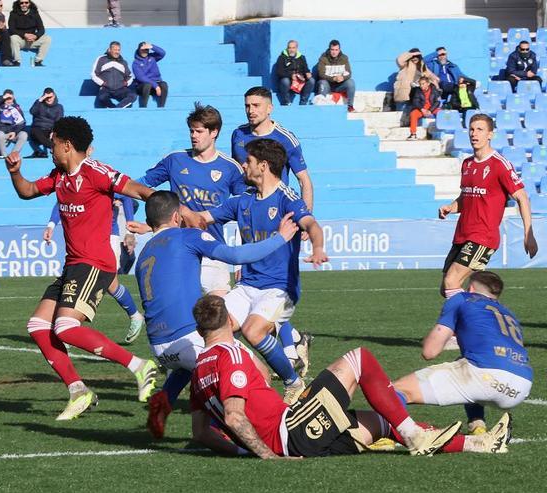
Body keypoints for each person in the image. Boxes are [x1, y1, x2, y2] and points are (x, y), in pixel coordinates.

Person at [188, 295, 510, 458]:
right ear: (231, 320)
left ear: (201, 330)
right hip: (290, 433)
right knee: (360, 359)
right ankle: (415, 436)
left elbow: (201, 432)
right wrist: (267, 456)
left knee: (385, 422)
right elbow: (234, 415)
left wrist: (242, 451)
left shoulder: (199, 369)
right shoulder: (230, 355)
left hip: (295, 431)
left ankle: (477, 443)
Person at [4, 116, 170, 420]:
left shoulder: (97, 172)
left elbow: (141, 191)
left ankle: (138, 365)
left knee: (65, 327)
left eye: (53, 145)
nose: (50, 151)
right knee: (38, 326)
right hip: (73, 266)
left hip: (95, 264)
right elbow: (27, 191)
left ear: (67, 146)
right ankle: (79, 391)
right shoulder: (58, 176)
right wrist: (15, 173)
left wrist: (158, 222)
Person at [138, 191, 299, 439]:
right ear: (176, 216)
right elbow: (235, 256)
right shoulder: (187, 237)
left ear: (150, 222)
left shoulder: (144, 253)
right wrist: (280, 238)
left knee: (188, 364)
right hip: (189, 339)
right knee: (258, 371)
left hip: (159, 348)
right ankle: (272, 428)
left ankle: (163, 401)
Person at [197, 139, 328, 403]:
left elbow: (311, 224)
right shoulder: (242, 200)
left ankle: (293, 381)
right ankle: (250, 378)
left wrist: (318, 247)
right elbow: (202, 218)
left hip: (280, 289)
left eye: (248, 161)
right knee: (213, 327)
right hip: (247, 287)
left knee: (253, 331)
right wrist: (166, 218)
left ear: (263, 166)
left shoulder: (286, 198)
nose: (243, 165)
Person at [392, 271, 529, 446]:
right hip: (520, 386)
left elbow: (430, 352)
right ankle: (477, 425)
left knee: (392, 392)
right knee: (464, 361)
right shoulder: (509, 314)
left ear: (470, 288)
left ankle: (387, 435)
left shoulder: (462, 299)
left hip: (485, 376)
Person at [134, 104, 247, 296]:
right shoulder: (175, 160)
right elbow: (141, 184)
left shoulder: (230, 168)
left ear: (214, 132)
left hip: (213, 248)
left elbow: (245, 209)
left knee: (220, 315)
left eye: (199, 131)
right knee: (182, 313)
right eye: (191, 131)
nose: (194, 135)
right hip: (179, 248)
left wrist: (242, 259)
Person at [438, 114, 537, 300]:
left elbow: (522, 197)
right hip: (462, 233)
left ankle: (466, 325)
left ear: (490, 134)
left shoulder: (499, 164)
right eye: (472, 129)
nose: (474, 134)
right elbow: (466, 196)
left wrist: (528, 234)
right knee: (446, 289)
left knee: (451, 282)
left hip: (483, 236)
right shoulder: (467, 164)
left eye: (480, 130)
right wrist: (451, 207)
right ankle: (481, 313)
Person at [45, 193, 146, 344]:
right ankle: (135, 315)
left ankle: (68, 326)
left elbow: (126, 198)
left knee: (104, 283)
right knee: (108, 284)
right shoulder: (71, 181)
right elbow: (62, 199)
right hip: (82, 238)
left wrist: (130, 232)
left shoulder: (99, 178)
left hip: (108, 237)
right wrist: (51, 224)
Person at [231, 87, 314, 211]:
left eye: (256, 105)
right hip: (246, 209)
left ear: (269, 108)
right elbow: (235, 171)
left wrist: (306, 219)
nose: (250, 111)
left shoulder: (285, 139)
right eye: (247, 106)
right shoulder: (238, 134)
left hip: (274, 209)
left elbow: (304, 180)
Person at [91, 41, 135, 108]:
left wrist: (126, 83)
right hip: (106, 88)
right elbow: (93, 74)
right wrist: (103, 83)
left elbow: (130, 76)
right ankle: (113, 108)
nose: (117, 52)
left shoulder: (123, 62)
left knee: (133, 95)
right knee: (102, 97)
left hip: (120, 89)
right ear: (110, 49)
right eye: (115, 50)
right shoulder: (101, 59)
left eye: (119, 50)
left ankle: (118, 109)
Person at [316, 39, 355, 112]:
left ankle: (350, 106)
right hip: (327, 84)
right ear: (329, 49)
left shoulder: (344, 58)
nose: (334, 52)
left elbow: (349, 73)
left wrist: (343, 77)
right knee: (322, 82)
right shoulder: (323, 59)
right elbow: (321, 74)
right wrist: (333, 79)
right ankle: (321, 108)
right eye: (332, 50)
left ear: (339, 50)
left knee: (351, 82)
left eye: (336, 50)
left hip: (339, 85)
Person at [7, 0, 50, 66]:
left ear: (29, 3)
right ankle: (17, 61)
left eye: (26, 2)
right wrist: (24, 35)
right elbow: (11, 29)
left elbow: (41, 29)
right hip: (21, 41)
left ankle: (38, 61)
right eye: (22, 3)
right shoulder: (13, 14)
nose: (24, 4)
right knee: (13, 38)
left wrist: (35, 36)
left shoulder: (35, 13)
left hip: (32, 41)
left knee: (47, 39)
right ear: (18, 4)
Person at [0, 89, 27, 158]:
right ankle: (4, 156)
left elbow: (22, 123)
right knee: (0, 134)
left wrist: (15, 132)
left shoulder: (16, 108)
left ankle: (13, 155)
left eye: (10, 98)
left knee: (23, 134)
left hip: (11, 134)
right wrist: (2, 97)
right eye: (7, 98)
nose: (8, 100)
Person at [275, 40, 315, 106]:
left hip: (299, 83)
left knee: (311, 80)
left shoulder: (302, 57)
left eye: (293, 48)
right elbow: (279, 72)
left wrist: (308, 73)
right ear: (287, 48)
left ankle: (303, 102)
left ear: (296, 48)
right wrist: (291, 75)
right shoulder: (282, 58)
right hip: (288, 83)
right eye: (289, 48)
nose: (291, 50)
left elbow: (306, 69)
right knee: (285, 81)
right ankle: (286, 102)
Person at [28, 87, 63, 158]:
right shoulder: (39, 104)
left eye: (51, 97)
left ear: (54, 96)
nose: (49, 99)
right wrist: (40, 100)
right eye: (47, 97)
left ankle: (42, 152)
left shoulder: (59, 107)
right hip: (38, 128)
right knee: (35, 131)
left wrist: (53, 131)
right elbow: (32, 111)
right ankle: (54, 147)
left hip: (49, 129)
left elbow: (59, 121)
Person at [132, 41, 168, 108]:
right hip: (142, 86)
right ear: (139, 50)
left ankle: (161, 108)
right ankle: (143, 108)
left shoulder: (152, 58)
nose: (145, 51)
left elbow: (163, 53)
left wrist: (152, 46)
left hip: (154, 85)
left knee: (164, 84)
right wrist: (156, 86)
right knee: (147, 85)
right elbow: (141, 77)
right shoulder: (135, 63)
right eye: (142, 50)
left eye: (146, 50)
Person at [407, 75, 441, 140]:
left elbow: (437, 102)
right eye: (420, 84)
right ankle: (413, 134)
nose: (421, 86)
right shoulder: (417, 91)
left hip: (432, 108)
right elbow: (415, 101)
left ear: (428, 83)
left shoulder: (434, 90)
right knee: (413, 114)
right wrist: (422, 109)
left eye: (423, 84)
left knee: (441, 113)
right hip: (422, 108)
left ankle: (440, 130)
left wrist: (430, 111)